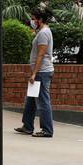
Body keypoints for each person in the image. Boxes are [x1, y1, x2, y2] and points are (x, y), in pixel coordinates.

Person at [15, 7, 55, 138]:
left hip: (42, 72)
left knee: (43, 101)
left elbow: (41, 54)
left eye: (33, 19)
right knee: (31, 99)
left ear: (40, 20)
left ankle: (47, 130)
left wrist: (34, 73)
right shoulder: (41, 32)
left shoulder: (44, 33)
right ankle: (27, 126)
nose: (32, 21)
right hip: (39, 71)